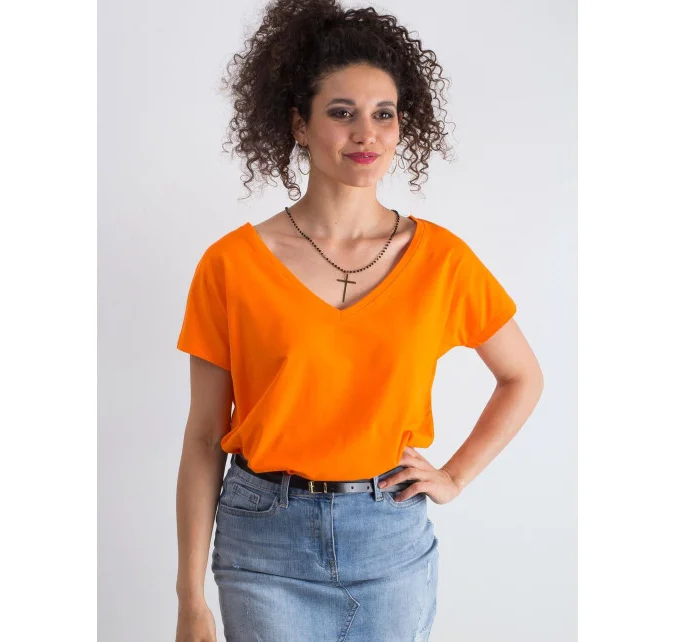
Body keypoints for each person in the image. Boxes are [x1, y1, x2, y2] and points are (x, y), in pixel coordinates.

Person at [174, 1, 544, 640]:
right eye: (342, 113)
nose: (366, 133)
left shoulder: (442, 260)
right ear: (299, 124)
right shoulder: (230, 264)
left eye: (383, 114)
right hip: (264, 541)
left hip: (388, 539)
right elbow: (205, 437)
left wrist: (454, 476)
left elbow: (522, 377)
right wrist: (189, 599)